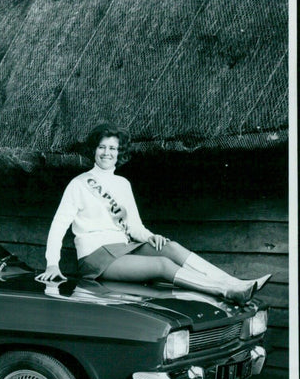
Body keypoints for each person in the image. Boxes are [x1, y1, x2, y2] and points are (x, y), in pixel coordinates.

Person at [36, 123, 270, 305]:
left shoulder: (123, 184)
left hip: (121, 246)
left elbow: (134, 226)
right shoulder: (79, 184)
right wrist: (52, 265)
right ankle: (225, 290)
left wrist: (149, 237)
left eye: (113, 148)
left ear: (119, 153)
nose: (107, 153)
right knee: (162, 265)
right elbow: (59, 225)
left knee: (171, 247)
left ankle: (234, 282)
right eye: (102, 147)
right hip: (95, 257)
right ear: (94, 150)